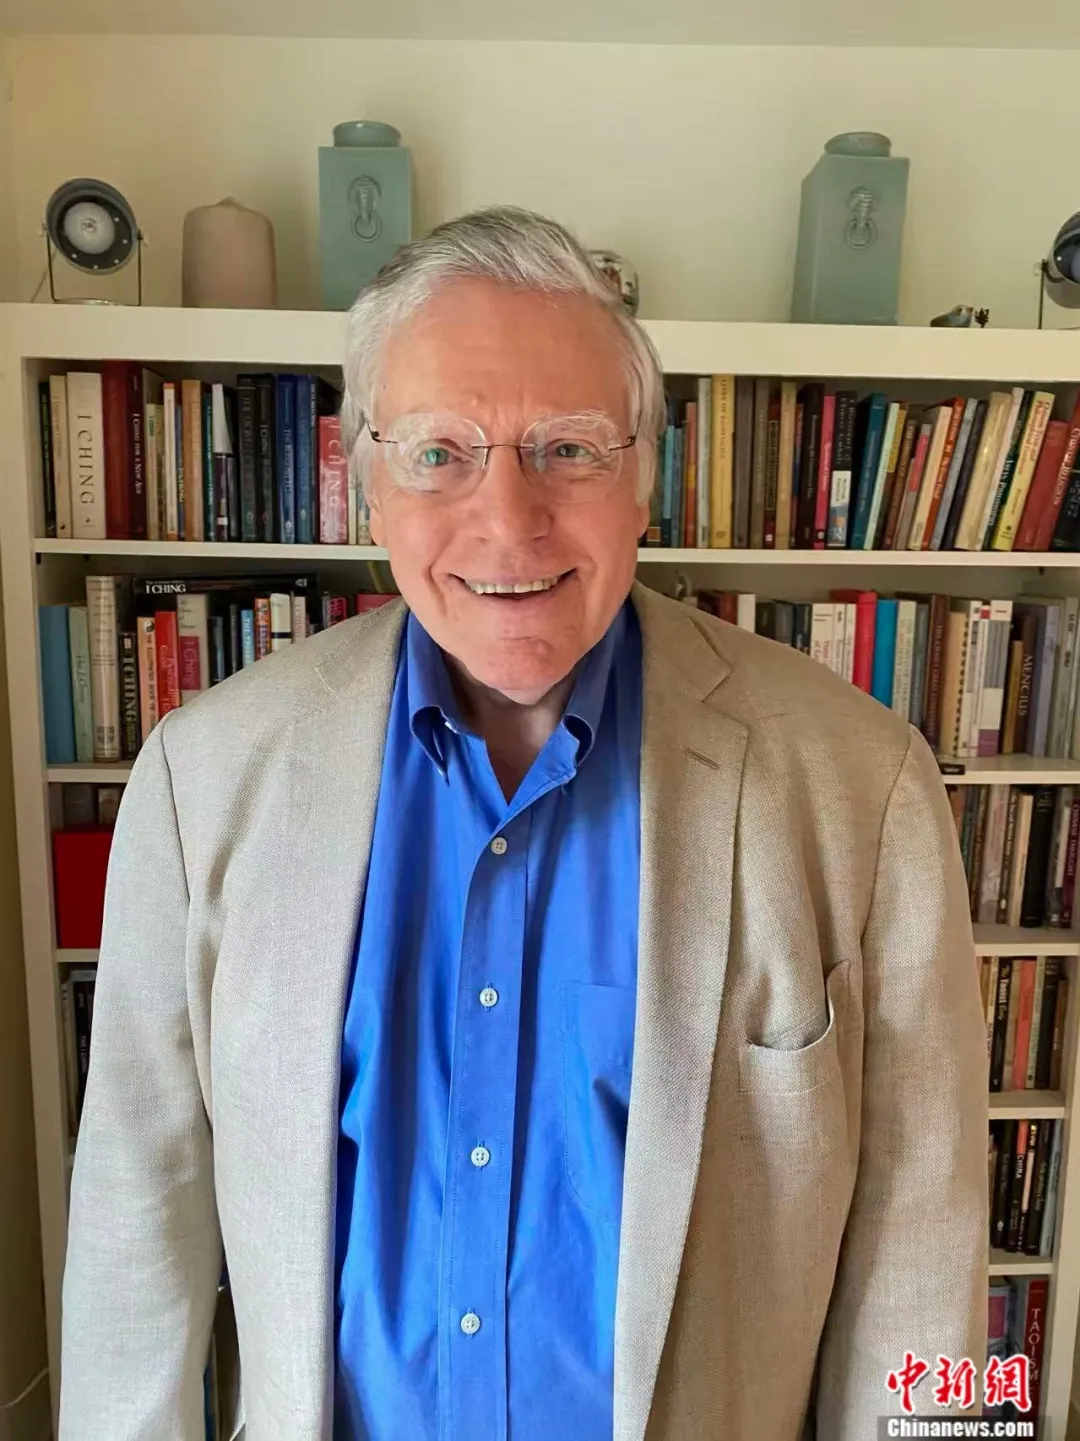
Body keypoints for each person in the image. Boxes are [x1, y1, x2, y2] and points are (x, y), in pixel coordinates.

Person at [60, 207, 987, 1441]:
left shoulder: (864, 785)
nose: (508, 519)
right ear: (368, 481)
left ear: (645, 476)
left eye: (568, 448)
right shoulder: (204, 778)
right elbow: (138, 1215)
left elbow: (927, 1245)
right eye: (440, 451)